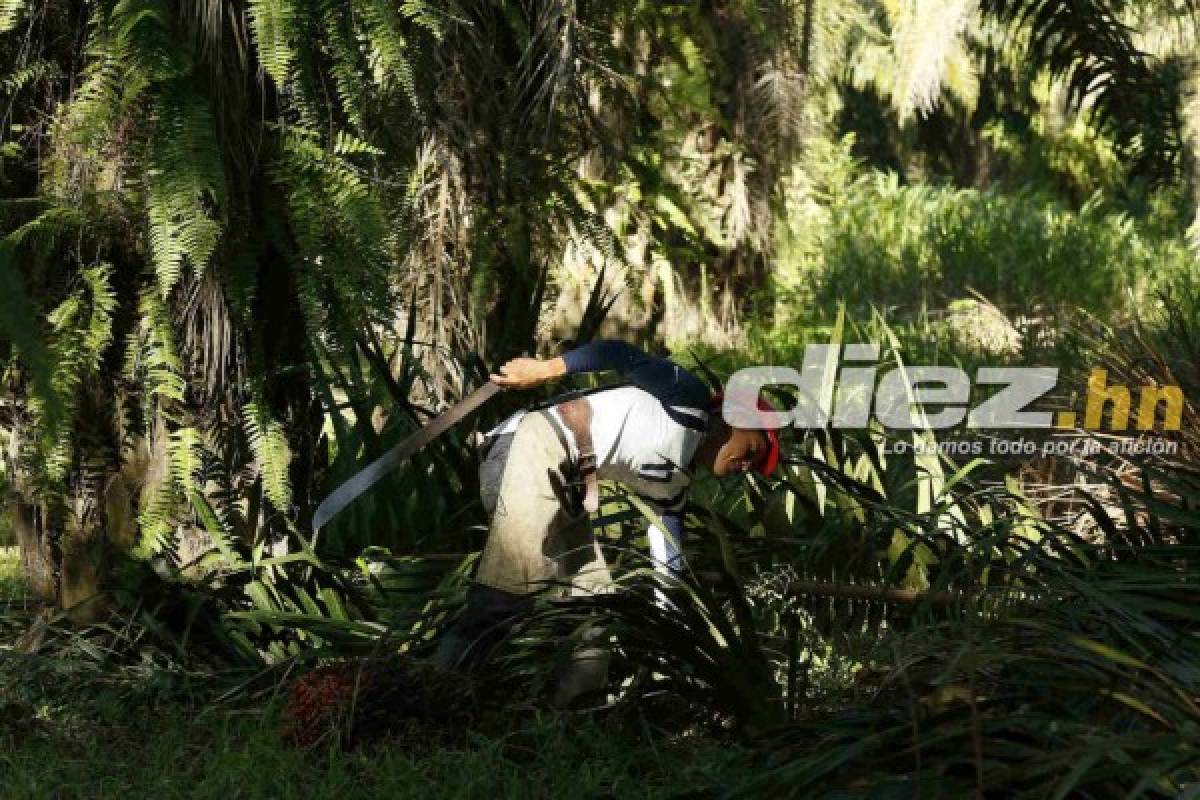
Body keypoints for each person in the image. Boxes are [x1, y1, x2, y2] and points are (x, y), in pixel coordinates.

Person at [432, 339, 779, 701]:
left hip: (565, 486)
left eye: (754, 467)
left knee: (594, 606)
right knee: (513, 582)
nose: (747, 466)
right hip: (527, 445)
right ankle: (434, 689)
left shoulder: (674, 482)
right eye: (753, 450)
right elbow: (618, 354)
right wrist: (542, 370)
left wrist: (671, 626)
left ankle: (572, 715)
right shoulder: (688, 397)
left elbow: (667, 561)